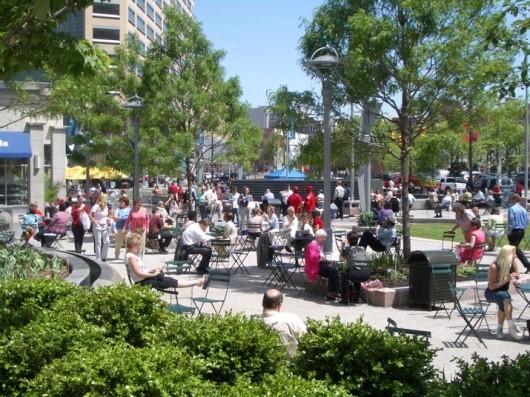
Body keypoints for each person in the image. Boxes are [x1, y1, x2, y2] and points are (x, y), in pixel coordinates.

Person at [125, 232, 205, 289]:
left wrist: (152, 270)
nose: (139, 247)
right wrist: (154, 274)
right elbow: (139, 274)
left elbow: (140, 271)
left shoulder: (131, 256)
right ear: (133, 245)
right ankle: (197, 282)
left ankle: (197, 282)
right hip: (143, 282)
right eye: (138, 245)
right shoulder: (132, 258)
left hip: (144, 280)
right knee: (171, 281)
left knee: (170, 280)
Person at [484, 245, 524, 340]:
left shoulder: (511, 263)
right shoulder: (494, 266)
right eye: (514, 254)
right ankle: (511, 326)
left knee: (504, 299)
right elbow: (492, 287)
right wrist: (506, 280)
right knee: (505, 297)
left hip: (503, 294)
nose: (516, 256)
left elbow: (518, 275)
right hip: (491, 293)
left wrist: (516, 274)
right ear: (508, 255)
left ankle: (500, 329)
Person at [261, 288, 307, 357]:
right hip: (294, 362)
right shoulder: (292, 318)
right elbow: (306, 338)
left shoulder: (255, 323)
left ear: (262, 303)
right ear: (280, 305)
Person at [304, 230, 340, 300]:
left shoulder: (318, 244)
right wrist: (321, 257)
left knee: (334, 270)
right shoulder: (313, 245)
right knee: (333, 271)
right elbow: (312, 258)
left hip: (318, 265)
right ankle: (332, 293)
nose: (325, 239)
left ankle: (334, 292)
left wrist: (324, 259)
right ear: (318, 237)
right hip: (314, 267)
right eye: (323, 237)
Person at [340, 230, 371, 303]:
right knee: (357, 271)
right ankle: (356, 298)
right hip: (366, 275)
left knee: (344, 276)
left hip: (353, 275)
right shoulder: (362, 249)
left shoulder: (348, 249)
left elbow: (341, 258)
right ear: (358, 240)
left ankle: (344, 298)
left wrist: (342, 246)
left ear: (348, 240)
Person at [507, 193, 530, 271]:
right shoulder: (523, 209)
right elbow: (527, 220)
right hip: (521, 230)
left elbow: (511, 221)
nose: (510, 200)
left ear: (514, 199)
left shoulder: (512, 209)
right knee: (514, 249)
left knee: (515, 248)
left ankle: (527, 264)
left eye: (511, 198)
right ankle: (512, 267)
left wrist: (509, 232)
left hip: (514, 230)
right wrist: (523, 227)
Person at [90, 194, 110, 261]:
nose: (107, 200)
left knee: (107, 242)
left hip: (105, 225)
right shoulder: (96, 206)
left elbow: (106, 216)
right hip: (97, 226)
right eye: (106, 198)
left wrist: (108, 219)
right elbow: (90, 214)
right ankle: (98, 259)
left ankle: (103, 256)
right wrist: (94, 221)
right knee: (98, 243)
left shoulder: (106, 207)